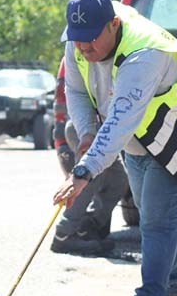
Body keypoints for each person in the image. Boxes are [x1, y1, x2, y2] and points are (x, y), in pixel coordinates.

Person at [52, 0, 177, 296]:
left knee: (157, 221)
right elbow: (77, 90)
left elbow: (119, 121)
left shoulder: (145, 54)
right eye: (76, 39)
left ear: (113, 24)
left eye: (90, 39)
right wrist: (86, 133)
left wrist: (83, 171)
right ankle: (176, 292)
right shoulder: (79, 40)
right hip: (140, 135)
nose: (83, 47)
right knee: (156, 213)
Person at [50, 57, 128, 255]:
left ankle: (88, 227)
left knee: (119, 180)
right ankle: (64, 234)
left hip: (106, 130)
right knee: (87, 180)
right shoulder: (87, 58)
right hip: (87, 128)